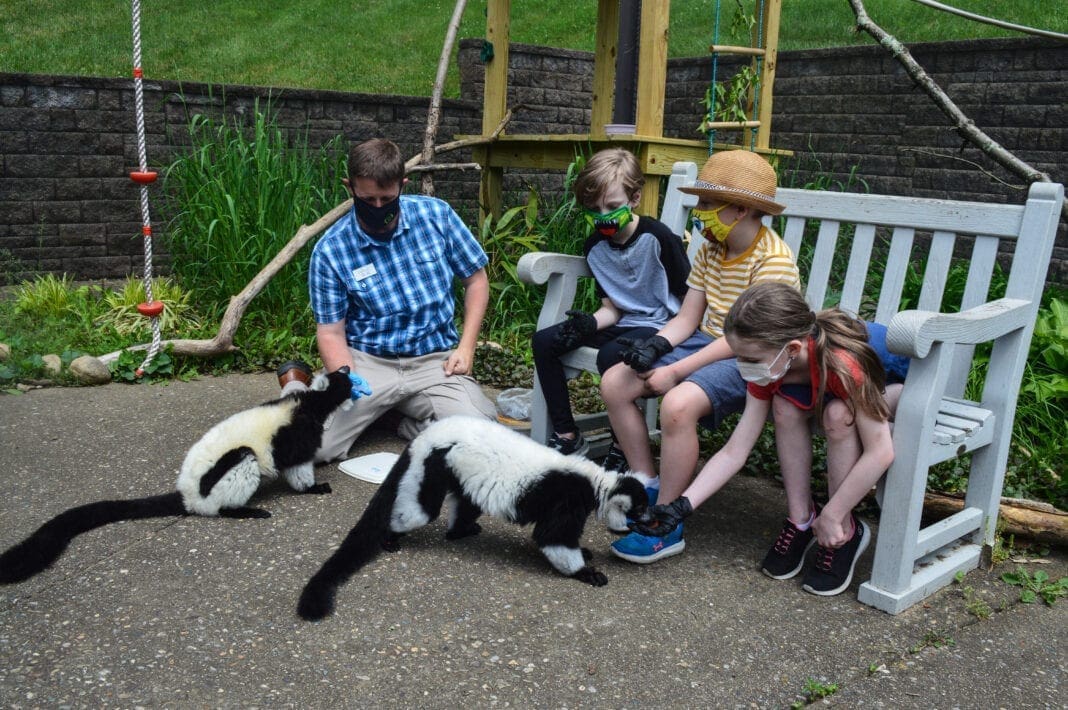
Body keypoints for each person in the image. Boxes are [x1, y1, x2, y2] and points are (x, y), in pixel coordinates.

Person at [631, 282, 910, 596]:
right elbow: (735, 450)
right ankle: (801, 519)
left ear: (791, 349)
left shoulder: (843, 364)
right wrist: (680, 507)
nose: (742, 367)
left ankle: (843, 527)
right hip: (835, 387)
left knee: (837, 415)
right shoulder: (772, 365)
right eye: (739, 357)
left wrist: (833, 513)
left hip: (903, 386)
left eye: (750, 359)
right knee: (784, 405)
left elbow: (880, 452)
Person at [604, 149, 800, 563]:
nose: (700, 213)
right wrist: (656, 346)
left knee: (677, 405)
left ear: (742, 209)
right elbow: (689, 317)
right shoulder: (712, 249)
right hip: (708, 342)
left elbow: (744, 340)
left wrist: (675, 371)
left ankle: (667, 521)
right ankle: (647, 481)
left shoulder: (773, 259)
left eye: (709, 205)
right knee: (616, 382)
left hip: (749, 356)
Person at [277, 137, 496, 462]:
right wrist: (344, 376)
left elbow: (476, 280)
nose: (378, 207)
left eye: (387, 198)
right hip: (368, 362)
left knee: (480, 437)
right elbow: (330, 332)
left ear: (402, 185)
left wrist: (466, 347)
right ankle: (297, 388)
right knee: (310, 448)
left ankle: (389, 418)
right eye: (368, 198)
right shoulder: (331, 250)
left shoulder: (437, 216)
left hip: (433, 361)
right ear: (349, 187)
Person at [531, 147, 690, 461]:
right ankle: (567, 433)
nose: (603, 216)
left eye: (613, 206)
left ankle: (621, 445)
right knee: (544, 341)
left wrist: (662, 340)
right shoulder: (594, 247)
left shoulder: (659, 239)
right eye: (595, 208)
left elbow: (688, 305)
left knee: (611, 355)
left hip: (660, 324)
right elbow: (613, 308)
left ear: (634, 198)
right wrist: (589, 323)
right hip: (623, 321)